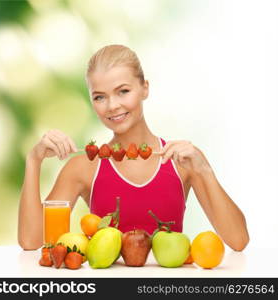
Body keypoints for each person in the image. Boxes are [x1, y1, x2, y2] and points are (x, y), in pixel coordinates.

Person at [18, 45, 249, 251]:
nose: (112, 106)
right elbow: (31, 241)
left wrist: (203, 169)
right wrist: (33, 160)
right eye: (99, 97)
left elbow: (238, 240)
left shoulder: (181, 160)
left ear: (144, 88)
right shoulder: (84, 167)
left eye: (123, 91)